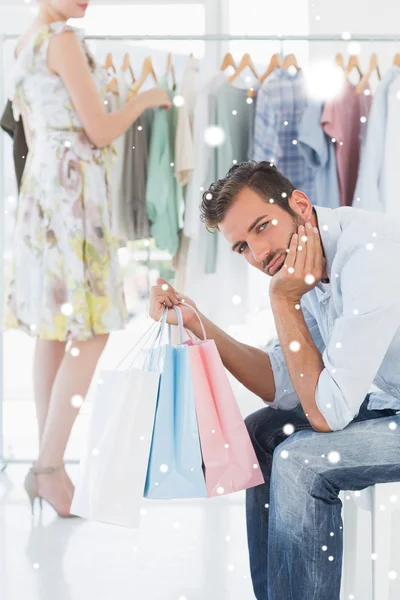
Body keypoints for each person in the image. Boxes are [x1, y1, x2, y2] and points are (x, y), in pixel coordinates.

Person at [149, 160, 400, 600]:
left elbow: (329, 414)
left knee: (300, 461)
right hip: (390, 402)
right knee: (261, 433)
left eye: (262, 227)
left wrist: (283, 301)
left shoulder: (368, 254)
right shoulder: (308, 267)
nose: (259, 254)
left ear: (299, 206)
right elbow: (281, 382)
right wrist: (196, 321)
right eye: (242, 247)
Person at [4, 0, 171, 518]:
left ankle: (48, 465)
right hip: (74, 187)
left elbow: (30, 132)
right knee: (92, 329)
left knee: (55, 330)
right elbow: (98, 130)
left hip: (45, 187)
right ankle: (50, 467)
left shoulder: (25, 44)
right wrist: (145, 98)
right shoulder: (63, 40)